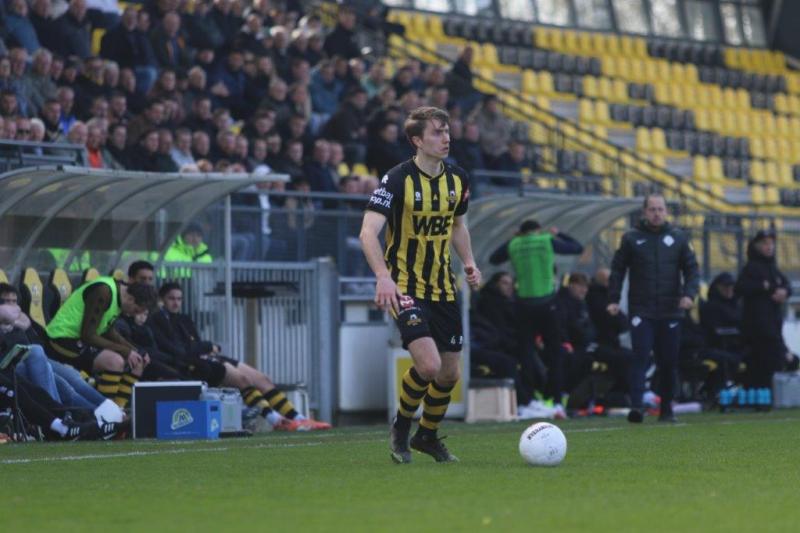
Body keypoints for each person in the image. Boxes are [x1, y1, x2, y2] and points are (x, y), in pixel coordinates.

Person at [360, 106, 480, 464]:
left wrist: (469, 262)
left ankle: (426, 435)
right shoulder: (396, 179)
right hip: (404, 286)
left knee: (449, 373)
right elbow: (367, 232)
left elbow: (458, 226)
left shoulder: (458, 179)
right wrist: (383, 277)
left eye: (447, 131)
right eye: (437, 132)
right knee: (428, 366)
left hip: (444, 287)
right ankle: (401, 427)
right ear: (417, 140)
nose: (446, 138)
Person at [148, 282, 330, 431]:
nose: (176, 303)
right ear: (162, 300)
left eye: (179, 299)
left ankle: (299, 418)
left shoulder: (184, 319)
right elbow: (184, 349)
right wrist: (207, 346)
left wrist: (205, 347)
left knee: (263, 379)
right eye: (171, 298)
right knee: (243, 380)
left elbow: (195, 344)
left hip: (207, 357)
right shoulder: (159, 320)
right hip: (195, 364)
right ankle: (276, 420)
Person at [607, 193, 699, 423]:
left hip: (671, 310)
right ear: (644, 212)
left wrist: (689, 295)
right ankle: (637, 407)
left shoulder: (678, 238)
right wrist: (613, 299)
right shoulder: (631, 238)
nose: (657, 213)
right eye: (652, 209)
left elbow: (692, 270)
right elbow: (617, 270)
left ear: (666, 212)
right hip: (642, 309)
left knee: (668, 361)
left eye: (660, 209)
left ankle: (666, 408)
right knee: (640, 356)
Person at [488, 220, 584, 418]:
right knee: (555, 354)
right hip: (548, 304)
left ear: (521, 232)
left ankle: (528, 402)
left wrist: (513, 239)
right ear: (538, 230)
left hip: (524, 305)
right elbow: (577, 248)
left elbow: (494, 259)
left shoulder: (514, 244)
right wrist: (559, 233)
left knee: (526, 355)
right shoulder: (546, 240)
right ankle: (556, 402)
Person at [44, 276, 158, 409]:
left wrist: (135, 350)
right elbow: (88, 335)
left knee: (138, 362)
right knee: (114, 361)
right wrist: (126, 351)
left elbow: (107, 330)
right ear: (131, 299)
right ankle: (105, 410)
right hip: (62, 338)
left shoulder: (120, 296)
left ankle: (119, 408)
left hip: (82, 339)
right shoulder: (104, 291)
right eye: (136, 310)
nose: (134, 315)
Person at [735, 230, 797, 390]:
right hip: (757, 326)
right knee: (764, 363)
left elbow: (786, 285)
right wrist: (763, 287)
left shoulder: (772, 267)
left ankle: (767, 395)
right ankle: (760, 395)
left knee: (774, 363)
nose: (769, 247)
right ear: (756, 246)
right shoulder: (751, 268)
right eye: (765, 243)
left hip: (773, 324)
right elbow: (740, 287)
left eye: (771, 243)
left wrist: (784, 291)